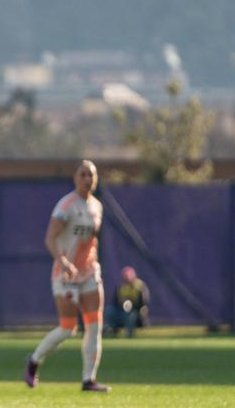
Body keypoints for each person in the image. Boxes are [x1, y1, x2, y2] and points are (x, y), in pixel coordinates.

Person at [25, 160, 110, 392]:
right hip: (66, 274)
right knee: (67, 328)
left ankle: (88, 379)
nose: (87, 179)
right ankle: (34, 360)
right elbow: (50, 238)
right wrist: (63, 262)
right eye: (83, 174)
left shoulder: (97, 207)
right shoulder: (66, 205)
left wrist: (91, 264)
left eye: (91, 175)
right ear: (75, 178)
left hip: (90, 272)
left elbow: (91, 241)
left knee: (94, 325)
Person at [105, 266, 150, 337]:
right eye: (125, 277)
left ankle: (129, 333)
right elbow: (115, 302)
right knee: (109, 310)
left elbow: (144, 302)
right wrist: (122, 303)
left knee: (130, 315)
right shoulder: (120, 286)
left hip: (135, 310)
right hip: (121, 310)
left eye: (128, 277)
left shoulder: (139, 286)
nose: (126, 279)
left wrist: (132, 304)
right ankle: (111, 329)